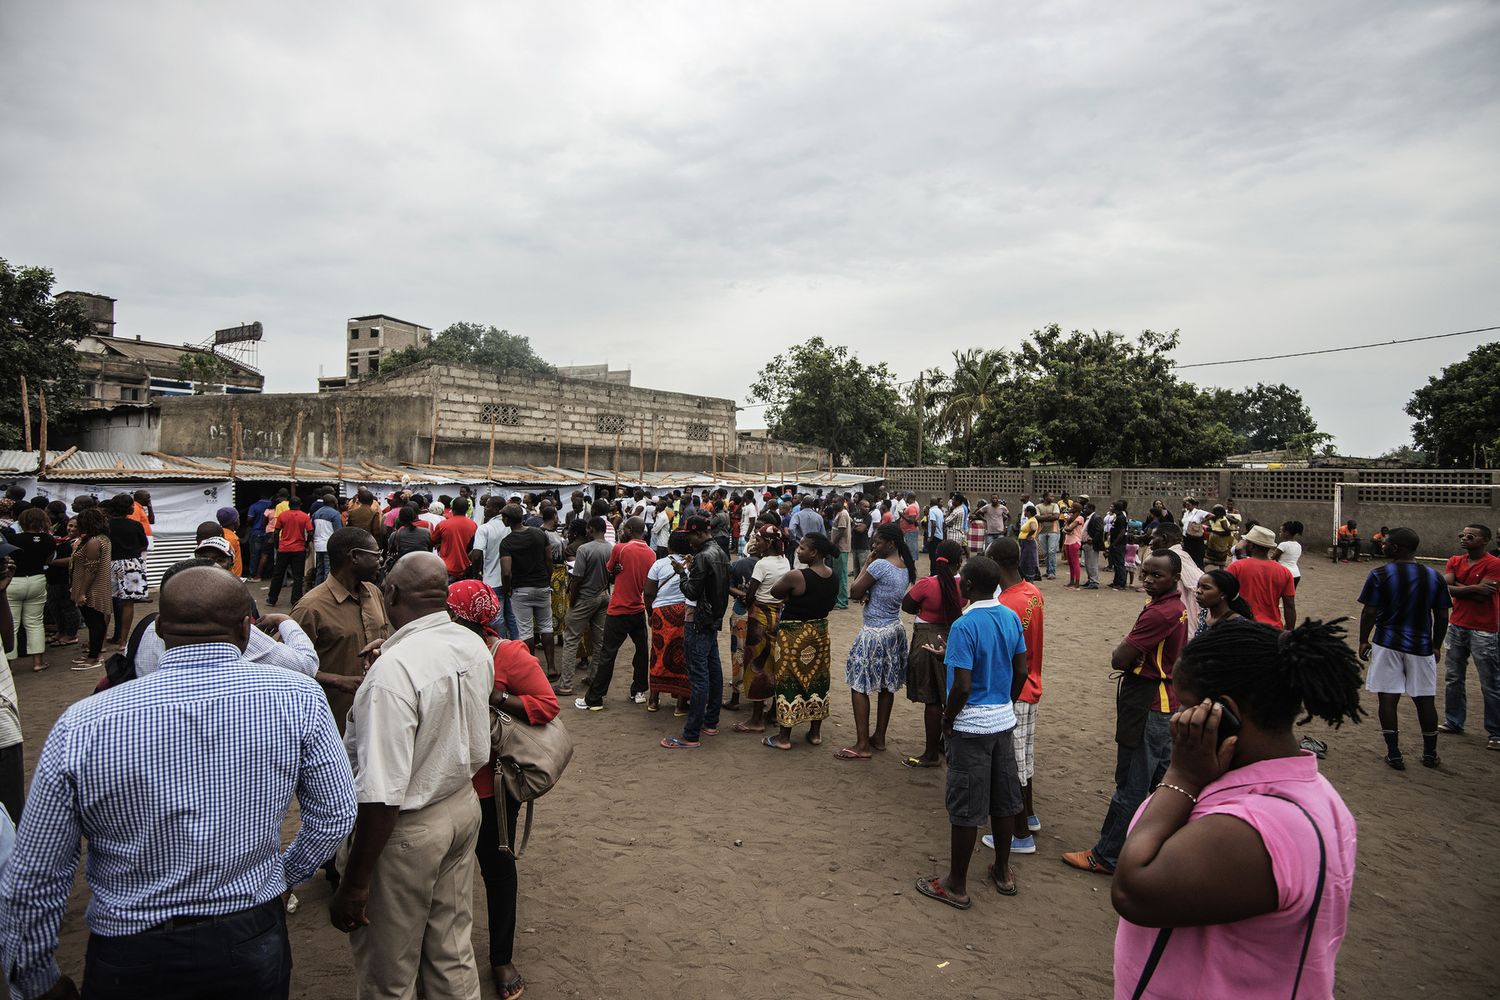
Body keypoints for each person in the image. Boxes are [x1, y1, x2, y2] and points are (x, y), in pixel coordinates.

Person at [1, 565, 357, 1000]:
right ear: (247, 630)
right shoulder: (297, 697)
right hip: (248, 931)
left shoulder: (85, 722)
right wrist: (283, 876)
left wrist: (35, 978)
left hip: (129, 946)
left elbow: (36, 872)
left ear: (162, 628)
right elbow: (336, 813)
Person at [1110, 617, 1362, 999]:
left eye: (1187, 707)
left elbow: (1133, 890)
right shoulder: (1306, 789)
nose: (1177, 718)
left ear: (1225, 713)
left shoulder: (1259, 825)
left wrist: (1182, 777)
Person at [330, 553, 492, 999]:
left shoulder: (393, 672)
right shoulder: (470, 643)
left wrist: (356, 882)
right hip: (460, 808)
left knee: (389, 973)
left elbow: (382, 793)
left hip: (406, 829)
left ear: (392, 594)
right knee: (451, 952)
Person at [446, 581, 557, 1000]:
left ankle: (501, 957)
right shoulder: (432, 650)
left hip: (490, 789)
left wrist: (500, 696)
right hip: (440, 784)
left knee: (497, 870)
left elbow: (546, 705)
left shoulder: (505, 653)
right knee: (442, 877)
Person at [913, 556, 1029, 907]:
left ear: (967, 587)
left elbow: (962, 686)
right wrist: (1004, 702)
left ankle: (956, 885)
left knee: (965, 805)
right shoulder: (1010, 617)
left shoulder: (964, 625)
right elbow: (1019, 669)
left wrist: (949, 720)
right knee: (1004, 799)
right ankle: (1002, 870)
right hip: (1002, 722)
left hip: (972, 726)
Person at [1063, 552, 1188, 876]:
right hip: (1162, 700)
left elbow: (1120, 658)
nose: (1148, 579)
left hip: (1147, 702)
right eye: (1145, 573)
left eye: (1156, 575)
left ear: (1175, 577)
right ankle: (1168, 843)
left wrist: (1127, 654)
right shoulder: (1174, 606)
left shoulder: (1160, 613)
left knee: (1131, 782)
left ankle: (1106, 856)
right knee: (1162, 780)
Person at [1357, 527, 1450, 770]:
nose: (1383, 546)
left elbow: (1369, 611)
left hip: (1387, 643)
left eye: (1386, 543)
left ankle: (1394, 753)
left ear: (1396, 547)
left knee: (1388, 697)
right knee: (1424, 699)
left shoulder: (1379, 574)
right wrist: (1436, 645)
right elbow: (1442, 615)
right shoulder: (1434, 576)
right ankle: (1430, 754)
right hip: (1421, 645)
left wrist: (1363, 640)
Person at [290, 527, 393, 735]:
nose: (380, 562)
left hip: (375, 714)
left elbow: (385, 639)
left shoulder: (373, 592)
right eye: (375, 555)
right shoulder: (310, 607)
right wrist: (337, 680)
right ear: (354, 556)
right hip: (333, 723)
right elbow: (284, 668)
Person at [837, 523, 915, 761]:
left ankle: (862, 744)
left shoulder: (880, 565)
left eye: (878, 542)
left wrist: (868, 563)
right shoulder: (903, 566)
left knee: (859, 684)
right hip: (894, 629)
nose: (874, 545)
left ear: (890, 543)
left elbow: (854, 592)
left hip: (875, 631)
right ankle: (878, 737)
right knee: (885, 685)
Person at [988, 538, 1045, 856]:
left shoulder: (1007, 604)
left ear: (996, 563)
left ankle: (1020, 834)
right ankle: (1030, 816)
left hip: (1015, 689)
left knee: (1012, 766)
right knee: (1025, 759)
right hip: (1031, 685)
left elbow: (1006, 655)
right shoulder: (1032, 592)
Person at [762, 531, 841, 750]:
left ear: (814, 553)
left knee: (788, 680)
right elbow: (830, 603)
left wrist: (790, 597)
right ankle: (815, 733)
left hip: (794, 634)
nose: (798, 550)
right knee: (817, 679)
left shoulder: (797, 576)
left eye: (803, 548)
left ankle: (784, 737)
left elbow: (775, 592)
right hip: (819, 633)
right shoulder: (833, 575)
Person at [660, 515, 730, 749]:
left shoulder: (703, 556)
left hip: (698, 620)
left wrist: (681, 572)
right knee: (714, 671)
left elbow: (690, 592)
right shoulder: (719, 551)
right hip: (712, 619)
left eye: (690, 535)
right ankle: (710, 722)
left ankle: (691, 735)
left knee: (699, 677)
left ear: (699, 533)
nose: (688, 540)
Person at [576, 517, 655, 710]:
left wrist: (617, 570)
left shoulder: (620, 548)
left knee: (607, 654)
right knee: (642, 652)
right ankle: (639, 691)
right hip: (638, 609)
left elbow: (609, 571)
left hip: (618, 609)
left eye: (623, 528)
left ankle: (594, 699)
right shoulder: (652, 554)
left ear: (628, 530)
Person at [900, 539, 967, 768]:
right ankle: (942, 743)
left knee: (932, 699)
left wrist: (923, 609)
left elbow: (907, 605)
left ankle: (930, 754)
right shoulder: (965, 586)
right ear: (959, 563)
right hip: (953, 636)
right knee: (950, 693)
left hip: (927, 637)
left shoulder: (927, 584)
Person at [1439, 523, 1500, 749]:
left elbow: (1485, 596)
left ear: (1484, 541)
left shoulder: (1495, 564)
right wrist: (1474, 588)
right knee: (1453, 677)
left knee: (1490, 682)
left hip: (1484, 629)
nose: (1464, 538)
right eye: (1462, 535)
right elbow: (1443, 588)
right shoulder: (1455, 560)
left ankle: (1495, 731)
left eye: (1470, 536)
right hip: (1457, 625)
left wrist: (1458, 587)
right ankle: (1454, 721)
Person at [734, 523, 792, 733]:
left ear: (767, 543)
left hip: (760, 615)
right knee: (775, 662)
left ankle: (756, 719)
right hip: (778, 614)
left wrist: (747, 600)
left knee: (756, 664)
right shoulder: (785, 561)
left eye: (758, 540)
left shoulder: (762, 564)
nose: (755, 543)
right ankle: (774, 712)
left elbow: (751, 594)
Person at [499, 504, 557, 676]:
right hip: (542, 587)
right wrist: (547, 579)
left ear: (508, 520)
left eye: (503, 516)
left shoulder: (507, 542)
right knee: (546, 626)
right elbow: (549, 560)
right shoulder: (538, 533)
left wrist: (507, 588)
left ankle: (532, 670)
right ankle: (551, 667)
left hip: (520, 590)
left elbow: (506, 572)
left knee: (525, 630)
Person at [558, 515, 612, 696]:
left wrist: (573, 601)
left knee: (571, 638)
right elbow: (612, 575)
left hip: (585, 597)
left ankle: (565, 684)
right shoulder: (611, 548)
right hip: (603, 596)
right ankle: (594, 677)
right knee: (599, 641)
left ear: (591, 529)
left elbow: (577, 578)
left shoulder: (584, 549)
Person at [644, 531, 694, 715]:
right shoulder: (692, 564)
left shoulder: (659, 564)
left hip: (661, 613)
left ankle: (653, 700)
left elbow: (648, 593)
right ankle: (680, 704)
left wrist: (650, 614)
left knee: (657, 654)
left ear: (670, 546)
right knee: (683, 655)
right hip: (684, 613)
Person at [4, 507, 55, 674]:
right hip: (37, 579)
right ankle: (38, 662)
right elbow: (49, 559)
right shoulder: (48, 539)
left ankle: (8, 665)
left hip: (14, 581)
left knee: (11, 623)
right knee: (35, 622)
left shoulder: (13, 539)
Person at [1226, 525, 1297, 629]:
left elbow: (1224, 596)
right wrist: (1290, 632)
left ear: (1251, 545)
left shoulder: (1236, 567)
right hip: (1271, 630)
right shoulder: (1285, 572)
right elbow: (1289, 606)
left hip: (1241, 627)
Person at [69, 507, 112, 671]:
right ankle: (93, 654)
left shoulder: (94, 541)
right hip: (96, 586)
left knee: (95, 622)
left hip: (91, 588)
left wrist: (81, 592)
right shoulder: (103, 539)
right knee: (95, 621)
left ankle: (94, 656)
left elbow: (91, 569)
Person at [104, 494, 149, 648]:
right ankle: (123, 642)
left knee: (106, 603)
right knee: (128, 603)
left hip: (109, 564)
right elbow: (144, 545)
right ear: (129, 508)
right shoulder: (135, 525)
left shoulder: (105, 526)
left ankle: (101, 642)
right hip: (132, 564)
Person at [1150, 523, 1205, 639]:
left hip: (1184, 626)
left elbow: (1197, 586)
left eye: (1153, 538)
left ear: (1164, 539)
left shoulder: (1174, 559)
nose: (1150, 543)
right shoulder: (1181, 557)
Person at [266, 496, 313, 608]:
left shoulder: (283, 515)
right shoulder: (304, 516)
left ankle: (272, 599)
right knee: (298, 576)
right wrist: (306, 544)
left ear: (289, 505)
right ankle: (295, 600)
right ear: (300, 504)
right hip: (299, 549)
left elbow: (276, 532)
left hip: (284, 549)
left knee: (278, 574)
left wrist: (277, 546)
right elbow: (310, 532)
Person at [431, 497, 479, 583]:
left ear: (452, 509)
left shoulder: (443, 524)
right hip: (466, 569)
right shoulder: (474, 525)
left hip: (447, 568)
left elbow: (433, 540)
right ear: (467, 509)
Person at [1194, 568, 1255, 633]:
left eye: (1206, 588)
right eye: (1198, 586)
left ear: (1223, 594)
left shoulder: (1239, 624)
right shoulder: (1204, 613)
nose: (1198, 591)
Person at [311, 494, 343, 586]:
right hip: (329, 545)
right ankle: (326, 592)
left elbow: (312, 530)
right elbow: (338, 532)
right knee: (328, 570)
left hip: (318, 545)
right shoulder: (335, 514)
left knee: (319, 570)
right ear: (333, 503)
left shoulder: (316, 514)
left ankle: (317, 591)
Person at [829, 498, 852, 609]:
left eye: (835, 502)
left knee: (841, 576)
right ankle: (839, 599)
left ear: (842, 503)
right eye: (833, 502)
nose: (833, 504)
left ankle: (842, 602)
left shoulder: (843, 514)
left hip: (841, 548)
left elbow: (841, 531)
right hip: (839, 548)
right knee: (838, 574)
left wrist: (832, 543)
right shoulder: (839, 513)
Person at [1034, 493, 1060, 580]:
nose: (1052, 498)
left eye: (1053, 496)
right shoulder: (1038, 506)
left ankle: (1052, 572)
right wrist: (1049, 516)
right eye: (1050, 496)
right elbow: (1037, 518)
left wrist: (1043, 517)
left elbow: (1056, 517)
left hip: (1054, 531)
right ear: (1045, 497)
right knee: (1045, 552)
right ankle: (1048, 571)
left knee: (1051, 551)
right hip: (1042, 531)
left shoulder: (1055, 505)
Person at [1180, 497, 1209, 569]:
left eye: (1188, 505)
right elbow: (1182, 523)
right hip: (1187, 538)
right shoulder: (1186, 513)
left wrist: (1200, 523)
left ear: (1193, 505)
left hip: (1196, 538)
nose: (1187, 506)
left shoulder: (1198, 512)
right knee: (1188, 556)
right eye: (1186, 505)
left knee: (1197, 558)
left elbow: (1211, 515)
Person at [1062, 504, 1085, 590]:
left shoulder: (1080, 518)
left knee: (1075, 563)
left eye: (1072, 507)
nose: (1070, 509)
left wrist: (1066, 527)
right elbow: (1067, 528)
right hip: (1068, 541)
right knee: (1071, 563)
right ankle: (1072, 581)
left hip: (1074, 541)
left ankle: (1077, 584)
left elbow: (1068, 529)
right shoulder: (1071, 518)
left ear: (1076, 509)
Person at [1204, 505, 1234, 569]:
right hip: (1221, 537)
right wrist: (1234, 529)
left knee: (1211, 551)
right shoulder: (1222, 519)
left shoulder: (1211, 518)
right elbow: (1226, 528)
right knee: (1221, 552)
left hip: (1212, 536)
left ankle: (1206, 566)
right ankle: (1221, 569)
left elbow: (1206, 523)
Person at [1277, 520, 1304, 590]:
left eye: (1281, 531)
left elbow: (1274, 558)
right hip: (1296, 574)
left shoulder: (1283, 545)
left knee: (1274, 596)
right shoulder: (1298, 545)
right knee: (1289, 598)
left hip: (1283, 574)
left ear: (1287, 533)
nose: (1280, 533)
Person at [1017, 504, 1040, 583]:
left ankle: (1029, 579)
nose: (1024, 512)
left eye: (1025, 511)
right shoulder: (1030, 520)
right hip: (1025, 543)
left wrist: (1029, 535)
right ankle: (1025, 579)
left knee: (1028, 560)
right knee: (1024, 560)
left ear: (1029, 512)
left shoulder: (1032, 520)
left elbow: (1033, 528)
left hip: (1028, 543)